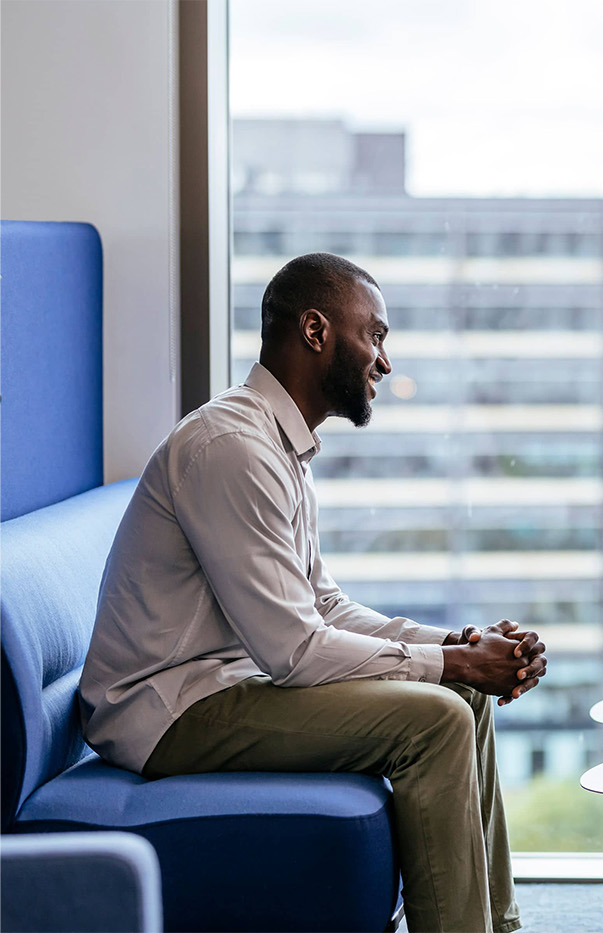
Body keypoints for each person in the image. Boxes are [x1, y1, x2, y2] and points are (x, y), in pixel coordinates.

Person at [79, 252, 546, 933]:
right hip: (166, 709)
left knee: (465, 696)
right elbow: (294, 650)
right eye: (375, 335)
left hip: (225, 683)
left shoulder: (276, 446)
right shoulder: (230, 447)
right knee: (438, 716)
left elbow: (321, 605)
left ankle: (496, 925)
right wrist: (453, 664)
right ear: (317, 330)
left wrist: (456, 647)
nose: (383, 361)